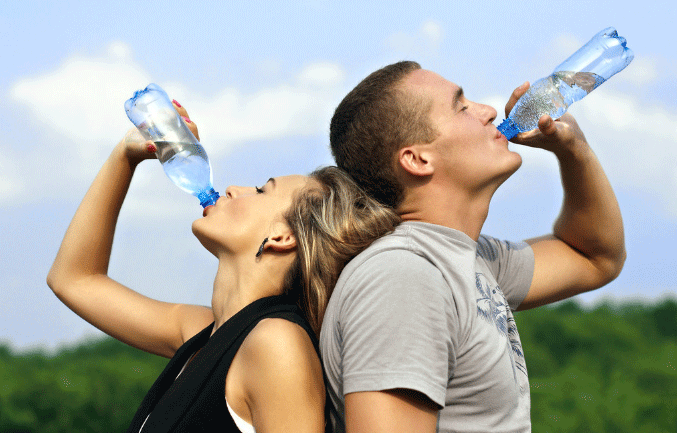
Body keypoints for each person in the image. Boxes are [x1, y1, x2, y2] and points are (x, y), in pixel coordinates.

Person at [46, 101, 400, 432]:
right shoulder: (202, 332)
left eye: (262, 190)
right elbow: (74, 279)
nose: (234, 188)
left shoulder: (277, 344)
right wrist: (125, 155)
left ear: (282, 236)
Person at [320, 61, 626, 432]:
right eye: (461, 107)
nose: (490, 111)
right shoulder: (403, 278)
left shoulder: (468, 260)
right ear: (417, 160)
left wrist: (573, 150)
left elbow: (595, 257)